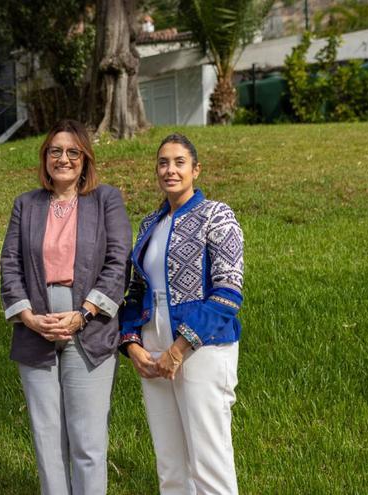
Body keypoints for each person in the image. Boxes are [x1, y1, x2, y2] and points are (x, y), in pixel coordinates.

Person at [0, 119, 132, 494]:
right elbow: (9, 263)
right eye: (55, 151)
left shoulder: (106, 199)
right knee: (46, 438)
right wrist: (28, 317)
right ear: (45, 158)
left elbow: (118, 260)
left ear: (85, 159)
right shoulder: (26, 204)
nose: (64, 159)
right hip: (35, 329)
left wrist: (84, 313)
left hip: (89, 329)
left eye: (73, 152)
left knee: (87, 441)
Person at [120, 133, 244, 494]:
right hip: (152, 340)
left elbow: (228, 291)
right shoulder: (149, 225)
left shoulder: (216, 215)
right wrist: (132, 345)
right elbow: (136, 291)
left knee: (208, 459)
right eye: (163, 162)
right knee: (170, 461)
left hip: (201, 346)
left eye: (178, 162)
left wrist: (179, 349)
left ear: (195, 170)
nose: (169, 169)